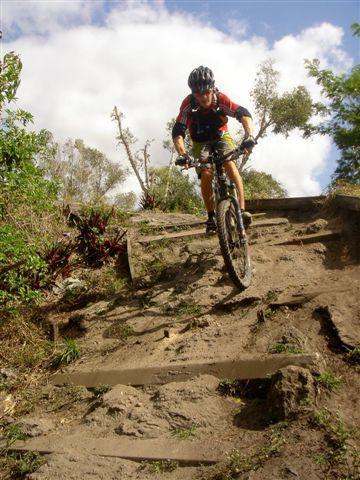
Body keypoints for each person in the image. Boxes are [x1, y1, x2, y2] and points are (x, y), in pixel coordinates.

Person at [172, 65, 256, 233]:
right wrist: (183, 154)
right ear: (193, 94)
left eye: (206, 93)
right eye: (198, 94)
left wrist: (249, 137)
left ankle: (241, 210)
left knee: (229, 164)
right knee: (206, 173)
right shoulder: (188, 105)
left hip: (220, 135)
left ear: (212, 88)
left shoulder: (221, 99)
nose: (203, 98)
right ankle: (211, 217)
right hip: (200, 141)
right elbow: (178, 130)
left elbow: (243, 114)